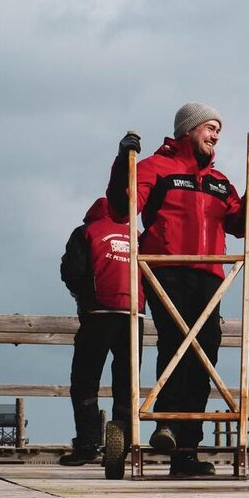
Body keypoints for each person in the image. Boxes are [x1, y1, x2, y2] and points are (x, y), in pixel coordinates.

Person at [107, 102, 249, 476]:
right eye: (210, 128)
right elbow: (121, 206)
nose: (216, 136)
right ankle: (168, 425)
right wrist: (122, 160)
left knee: (205, 353)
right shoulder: (156, 169)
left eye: (219, 130)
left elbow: (242, 224)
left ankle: (186, 448)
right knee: (175, 345)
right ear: (188, 130)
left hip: (210, 273)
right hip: (167, 270)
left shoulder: (220, 180)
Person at [59, 197, 145, 466]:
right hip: (134, 315)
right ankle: (121, 448)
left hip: (98, 312)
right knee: (127, 383)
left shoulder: (87, 231)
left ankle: (88, 444)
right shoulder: (137, 235)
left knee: (85, 379)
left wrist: (83, 297)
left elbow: (71, 271)